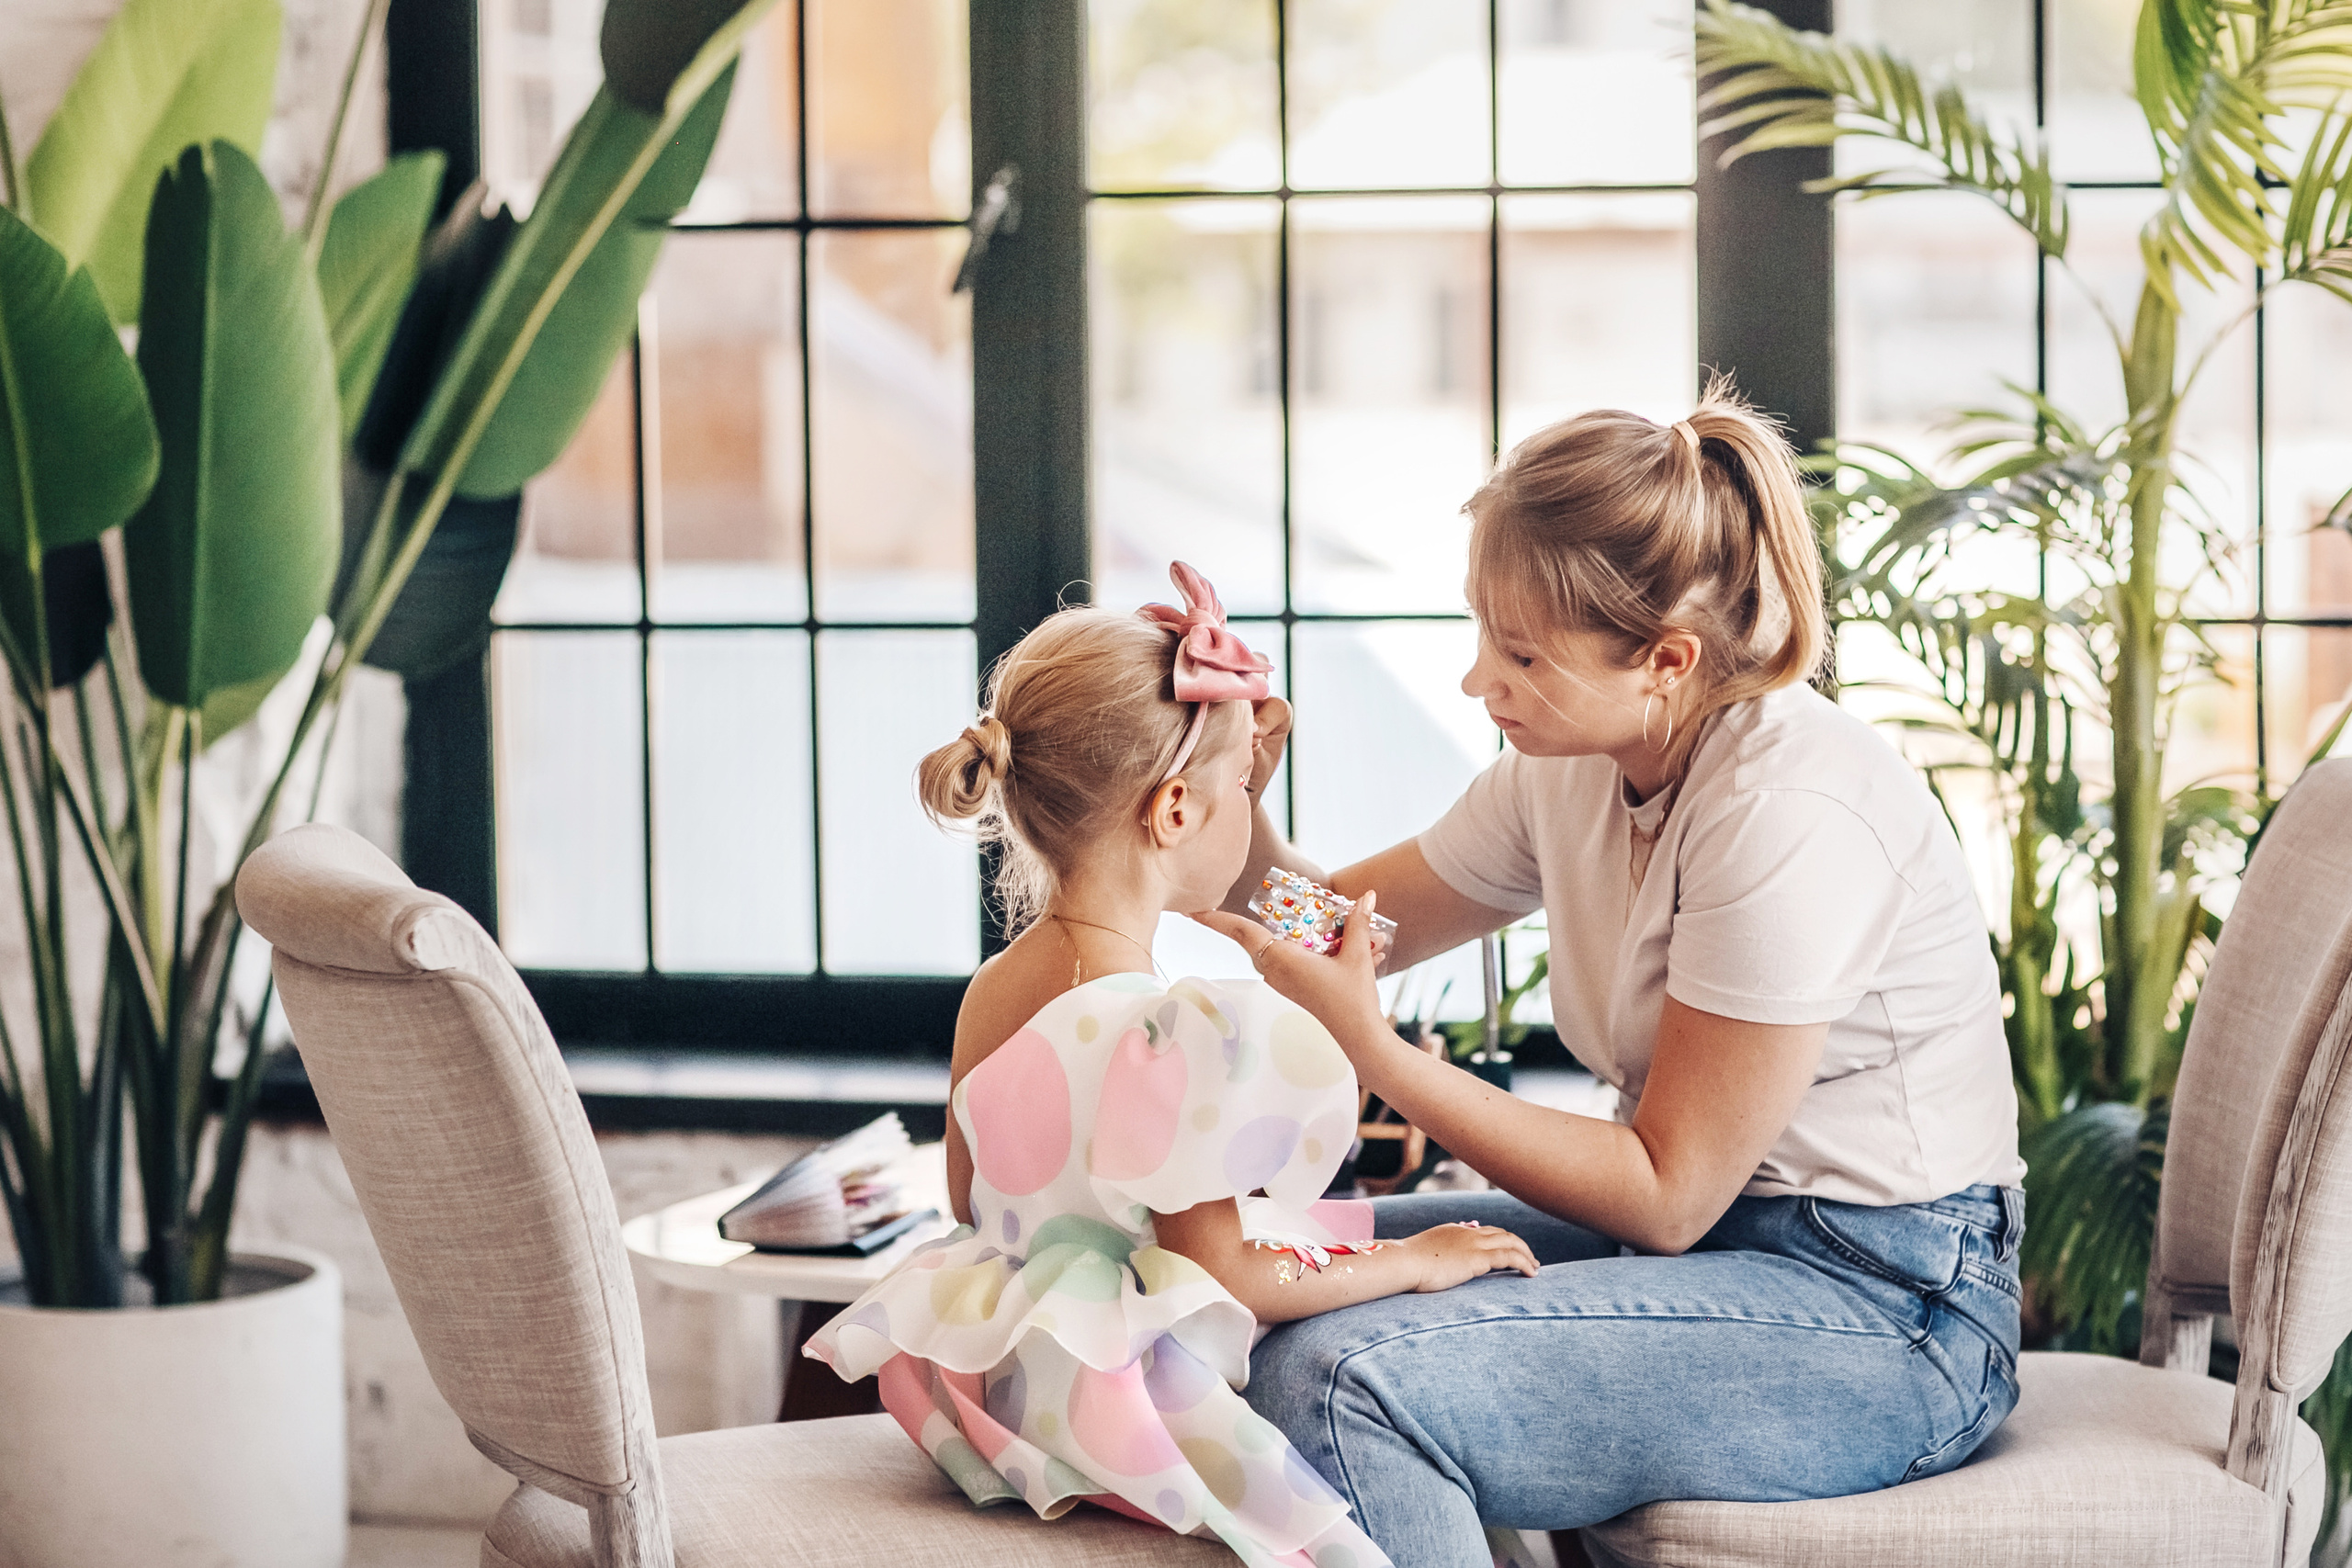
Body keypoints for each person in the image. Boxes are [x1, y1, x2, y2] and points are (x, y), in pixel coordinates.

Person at [1191, 384, 2028, 1567]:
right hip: (1711, 1253)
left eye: (1523, 653)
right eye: (1484, 632)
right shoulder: (1570, 764)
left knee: (1340, 1375)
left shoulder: (1786, 806)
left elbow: (1664, 1191)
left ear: (1666, 662)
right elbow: (1337, 929)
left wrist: (1377, 1055)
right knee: (1257, 1265)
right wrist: (1225, 799)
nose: (1479, 682)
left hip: (1890, 1308)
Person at [802, 565, 1541, 1568]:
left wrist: (1234, 782)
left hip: (1008, 1392)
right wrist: (1415, 1262)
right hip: (1135, 1411)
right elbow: (1217, 1268)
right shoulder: (1173, 1032)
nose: (1255, 809)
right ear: (1176, 813)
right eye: (1244, 786)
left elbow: (976, 1200)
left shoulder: (993, 989)